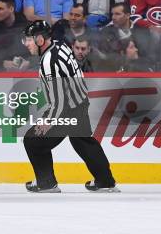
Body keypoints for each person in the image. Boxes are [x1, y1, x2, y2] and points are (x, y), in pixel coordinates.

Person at [22, 20, 118, 193]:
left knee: (33, 141)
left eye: (28, 39)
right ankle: (105, 182)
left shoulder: (49, 62)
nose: (26, 44)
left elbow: (59, 102)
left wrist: (48, 123)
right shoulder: (59, 45)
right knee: (83, 141)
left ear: (40, 40)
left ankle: (47, 183)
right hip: (79, 102)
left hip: (66, 110)